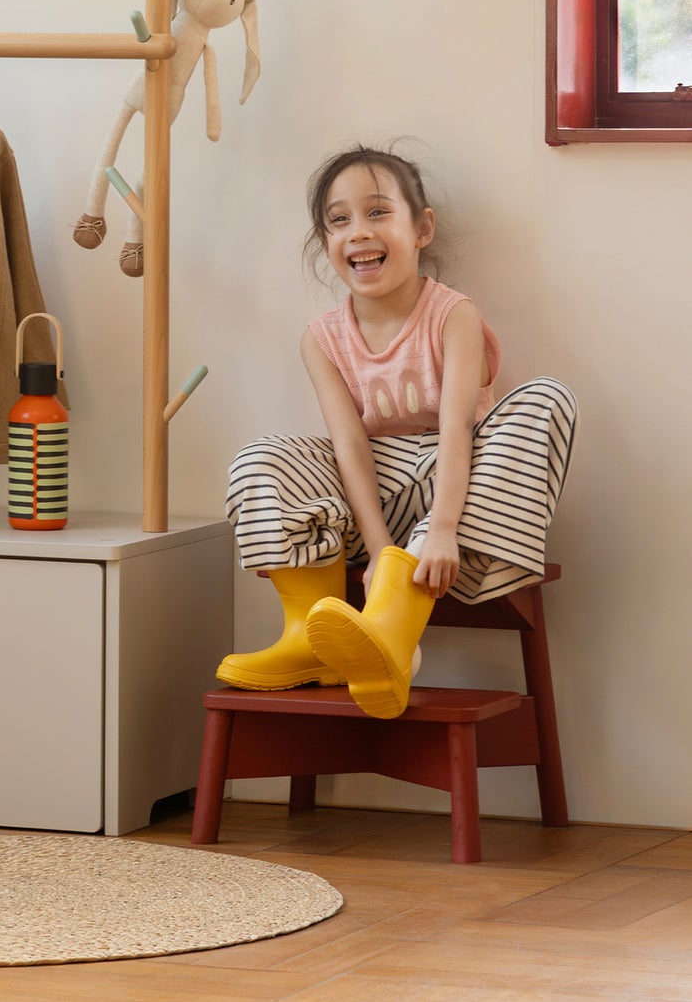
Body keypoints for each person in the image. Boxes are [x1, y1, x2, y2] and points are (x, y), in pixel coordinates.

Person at [219, 145, 576, 719]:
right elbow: (350, 446)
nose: (358, 232)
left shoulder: (452, 314)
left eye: (378, 212)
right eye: (339, 220)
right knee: (262, 455)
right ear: (325, 240)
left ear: (422, 228)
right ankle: (311, 640)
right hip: (371, 515)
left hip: (456, 508)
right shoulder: (321, 338)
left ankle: (392, 627)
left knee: (547, 399)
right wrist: (383, 553)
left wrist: (443, 528)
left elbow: (459, 427)